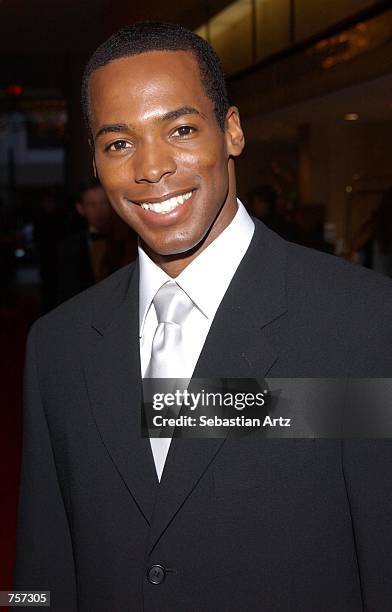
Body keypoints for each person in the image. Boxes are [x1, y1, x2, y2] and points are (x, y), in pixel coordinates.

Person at [14, 22, 392, 611]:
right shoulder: (57, 346)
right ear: (94, 161)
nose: (152, 167)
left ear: (233, 130)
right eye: (119, 143)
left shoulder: (363, 323)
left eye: (181, 129)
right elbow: (40, 568)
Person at [57, 180, 138, 302]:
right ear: (80, 208)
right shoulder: (68, 247)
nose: (99, 210)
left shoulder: (130, 240)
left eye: (104, 202)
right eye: (92, 205)